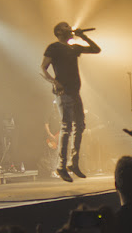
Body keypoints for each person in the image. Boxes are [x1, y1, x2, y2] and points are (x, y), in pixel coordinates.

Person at [40, 22, 101, 182]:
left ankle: (73, 163)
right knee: (66, 126)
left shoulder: (74, 48)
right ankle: (61, 166)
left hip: (75, 92)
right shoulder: (54, 47)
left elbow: (96, 49)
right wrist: (54, 82)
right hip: (63, 92)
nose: (70, 28)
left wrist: (82, 36)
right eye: (66, 26)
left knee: (80, 126)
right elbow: (43, 67)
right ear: (59, 31)